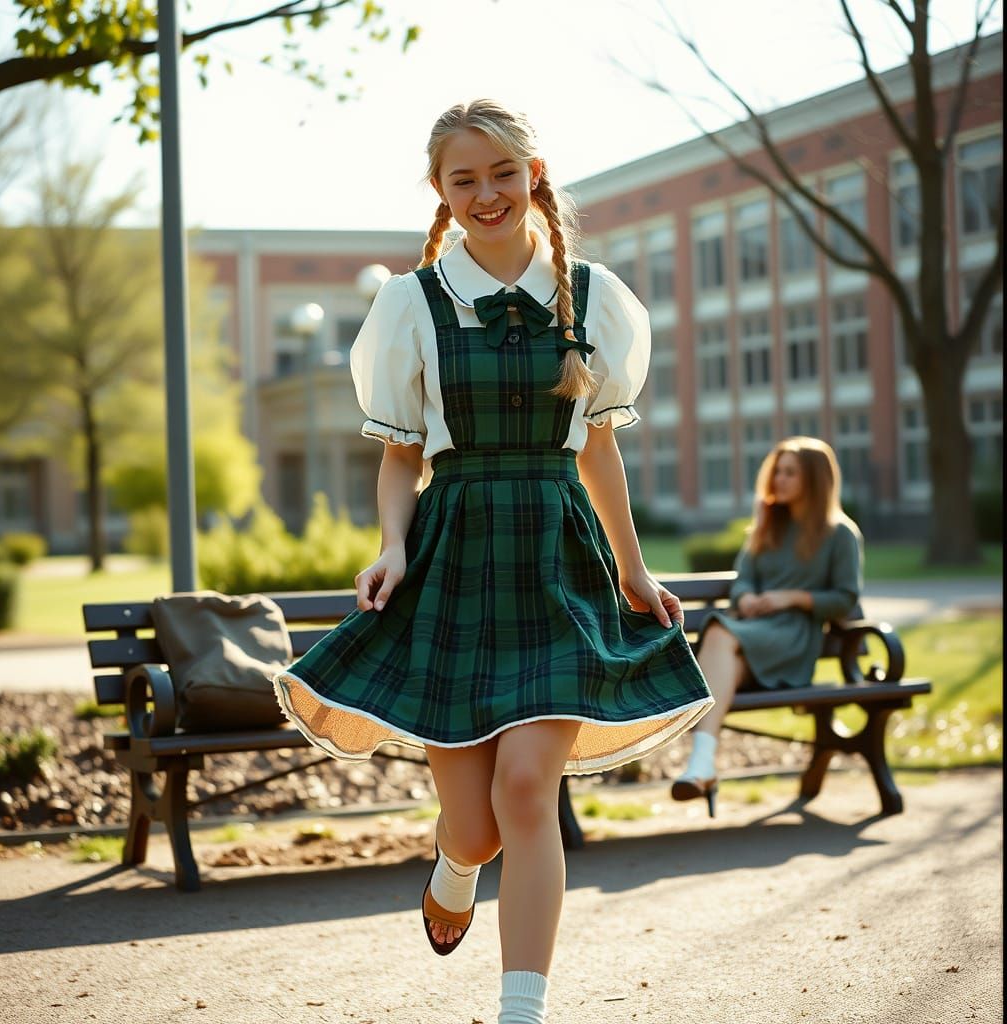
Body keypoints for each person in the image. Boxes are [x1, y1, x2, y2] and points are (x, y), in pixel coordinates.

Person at [272, 98, 713, 1024]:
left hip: (557, 558)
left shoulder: (593, 296)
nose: (486, 194)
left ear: (534, 176)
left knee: (527, 787)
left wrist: (634, 570)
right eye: (463, 179)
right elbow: (400, 457)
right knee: (473, 824)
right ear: (440, 190)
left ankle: (522, 1009)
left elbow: (598, 450)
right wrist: (391, 547)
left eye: (502, 174)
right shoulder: (412, 304)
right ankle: (453, 862)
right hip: (454, 560)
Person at [670, 436, 864, 816]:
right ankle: (702, 765)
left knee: (717, 630)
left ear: (814, 479)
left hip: (794, 637)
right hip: (753, 633)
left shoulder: (840, 534)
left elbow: (845, 599)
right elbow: (744, 579)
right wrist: (744, 599)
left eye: (790, 472)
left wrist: (789, 598)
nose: (779, 478)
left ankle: (702, 763)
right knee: (721, 635)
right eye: (777, 470)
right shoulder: (767, 526)